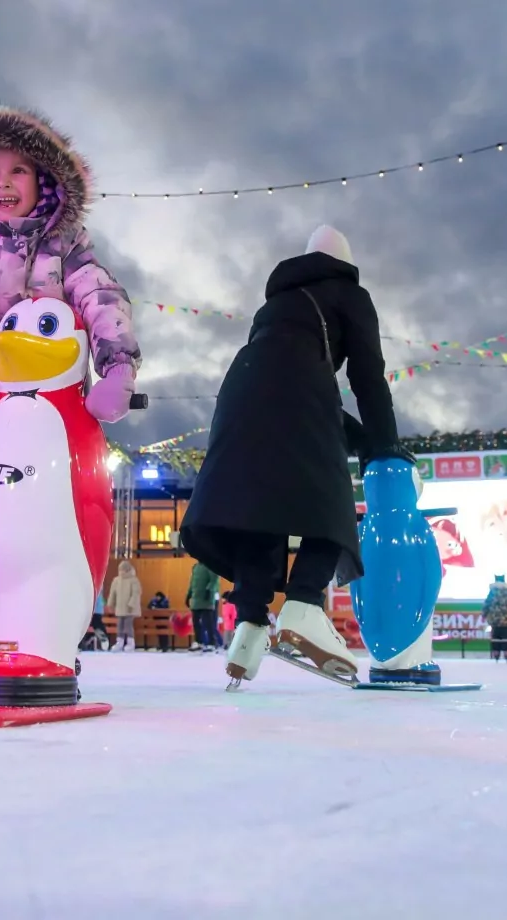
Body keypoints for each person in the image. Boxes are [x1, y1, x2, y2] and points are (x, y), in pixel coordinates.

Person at [0, 107, 141, 701]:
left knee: (53, 520)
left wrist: (116, 367)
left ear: (45, 180)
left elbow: (101, 297)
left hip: (53, 418)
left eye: (18, 170)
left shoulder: (66, 244)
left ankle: (48, 632)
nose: (3, 184)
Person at [180, 225, 401, 689]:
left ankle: (250, 626)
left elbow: (288, 381)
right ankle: (303, 605)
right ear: (346, 262)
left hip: (239, 392)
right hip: (297, 392)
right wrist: (384, 446)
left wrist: (358, 437)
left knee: (258, 509)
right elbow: (368, 377)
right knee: (331, 498)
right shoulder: (349, 295)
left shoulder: (275, 305)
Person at [481, 575, 507, 664]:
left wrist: (483, 615)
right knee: (506, 636)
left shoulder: (492, 591)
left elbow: (486, 604)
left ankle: (496, 653)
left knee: (496, 636)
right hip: (506, 618)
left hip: (494, 618)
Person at [105, 560, 143, 651]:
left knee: (127, 625)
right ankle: (120, 643)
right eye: (120, 570)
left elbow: (136, 593)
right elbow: (113, 593)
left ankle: (130, 643)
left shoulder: (133, 580)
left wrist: (131, 603)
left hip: (130, 609)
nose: (121, 571)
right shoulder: (116, 580)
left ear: (128, 570)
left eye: (123, 570)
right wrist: (110, 604)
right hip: (120, 607)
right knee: (120, 625)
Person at [186, 560, 222, 653]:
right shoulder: (195, 567)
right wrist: (189, 595)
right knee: (196, 622)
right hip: (196, 598)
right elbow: (192, 582)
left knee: (208, 622)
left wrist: (209, 590)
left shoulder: (211, 565)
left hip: (207, 598)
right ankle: (199, 642)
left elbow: (214, 579)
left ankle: (212, 643)